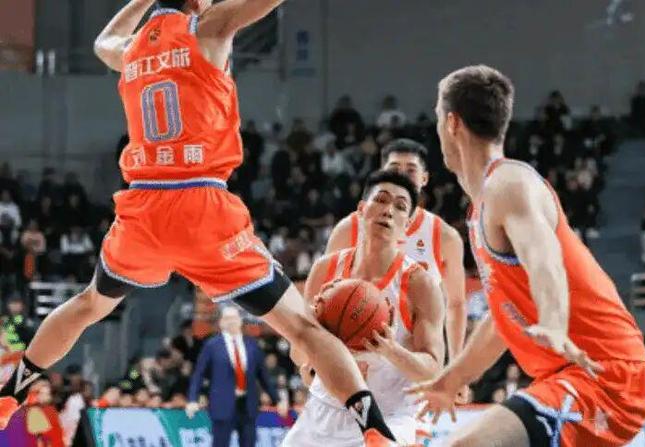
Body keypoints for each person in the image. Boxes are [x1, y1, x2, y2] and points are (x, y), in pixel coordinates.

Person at [0, 1, 399, 445]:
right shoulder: (206, 27)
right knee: (302, 326)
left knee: (89, 305)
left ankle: (10, 392)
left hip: (144, 206)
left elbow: (101, 43)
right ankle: (373, 427)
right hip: (200, 202)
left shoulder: (132, 49)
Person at [407, 65, 645, 447]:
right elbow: (503, 318)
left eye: (439, 119)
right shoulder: (481, 208)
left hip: (604, 375)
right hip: (570, 376)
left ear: (452, 123)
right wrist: (451, 379)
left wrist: (553, 322)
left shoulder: (509, 183)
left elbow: (545, 258)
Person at [283, 170, 445, 446]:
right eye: (381, 200)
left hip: (389, 415)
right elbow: (298, 355)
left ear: (407, 225)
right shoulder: (326, 269)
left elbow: (433, 371)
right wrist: (316, 332)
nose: (388, 211)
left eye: (400, 206)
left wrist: (390, 350)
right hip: (326, 408)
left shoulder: (420, 284)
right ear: (361, 209)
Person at [326, 139, 466, 378]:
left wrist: (456, 370)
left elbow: (456, 304)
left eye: (410, 170)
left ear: (424, 178)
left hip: (412, 365)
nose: (402, 175)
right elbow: (326, 295)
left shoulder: (444, 236)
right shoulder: (349, 228)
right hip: (355, 360)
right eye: (394, 169)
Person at [186, 306, 279, 447]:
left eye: (234, 318)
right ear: (221, 322)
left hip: (248, 405)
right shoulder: (212, 345)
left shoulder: (252, 345)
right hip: (222, 405)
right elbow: (199, 374)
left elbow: (263, 376)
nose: (231, 321)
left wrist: (277, 399)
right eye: (227, 318)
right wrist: (193, 399)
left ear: (240, 321)